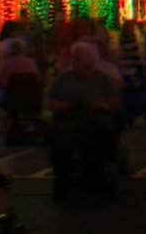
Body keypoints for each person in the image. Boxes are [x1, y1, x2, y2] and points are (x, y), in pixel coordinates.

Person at [48, 40, 122, 199]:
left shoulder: (103, 80)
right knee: (60, 140)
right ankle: (63, 177)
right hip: (69, 120)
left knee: (94, 137)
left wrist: (101, 105)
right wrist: (67, 105)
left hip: (96, 121)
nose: (73, 63)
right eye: (73, 59)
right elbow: (51, 102)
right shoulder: (63, 79)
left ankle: (93, 176)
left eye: (77, 60)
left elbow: (115, 103)